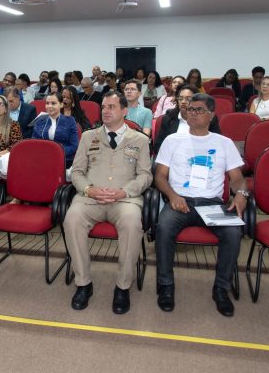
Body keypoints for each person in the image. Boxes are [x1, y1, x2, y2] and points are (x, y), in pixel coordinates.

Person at [154, 93, 248, 317]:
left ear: (211, 115)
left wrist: (241, 193)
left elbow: (237, 177)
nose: (192, 113)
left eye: (199, 110)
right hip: (180, 201)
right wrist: (172, 195)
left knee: (233, 233)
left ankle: (221, 288)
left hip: (212, 204)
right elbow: (159, 177)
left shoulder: (224, 143)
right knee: (163, 228)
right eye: (190, 109)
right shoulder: (173, 140)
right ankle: (166, 286)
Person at [64, 90, 152, 314]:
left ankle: (122, 286)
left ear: (124, 110)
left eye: (111, 107)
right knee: (71, 219)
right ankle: (83, 283)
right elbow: (77, 172)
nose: (105, 111)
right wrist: (89, 190)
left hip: (125, 200)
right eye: (103, 107)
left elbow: (145, 175)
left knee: (132, 224)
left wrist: (124, 192)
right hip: (90, 199)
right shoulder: (88, 136)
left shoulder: (140, 140)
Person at [155, 84, 221, 154]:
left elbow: (217, 143)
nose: (183, 102)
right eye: (180, 98)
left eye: (188, 99)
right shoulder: (169, 118)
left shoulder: (207, 118)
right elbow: (158, 145)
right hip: (174, 159)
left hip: (201, 158)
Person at [32, 92, 79, 167]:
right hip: (42, 159)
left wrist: (56, 152)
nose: (49, 106)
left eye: (53, 103)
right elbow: (34, 143)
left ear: (61, 104)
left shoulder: (70, 121)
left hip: (63, 159)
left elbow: (74, 146)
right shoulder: (40, 120)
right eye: (47, 103)